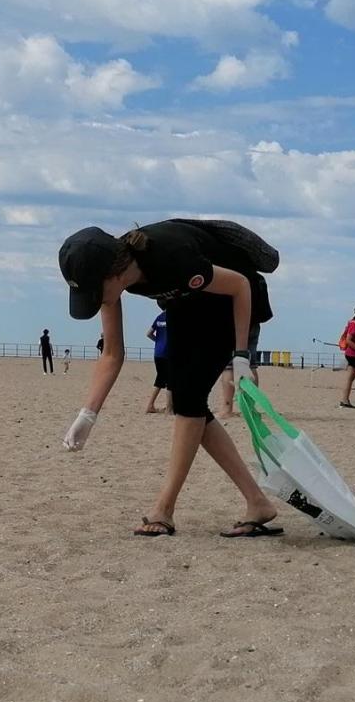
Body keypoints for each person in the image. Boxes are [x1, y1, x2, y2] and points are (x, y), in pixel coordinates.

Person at [57, 220, 282, 539]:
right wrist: (87, 415)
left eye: (95, 292)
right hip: (186, 303)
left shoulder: (171, 256)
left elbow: (240, 286)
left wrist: (242, 354)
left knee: (189, 401)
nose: (96, 301)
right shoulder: (113, 275)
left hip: (232, 302)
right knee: (189, 401)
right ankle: (257, 503)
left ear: (115, 273)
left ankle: (164, 510)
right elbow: (111, 353)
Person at [144, 311, 170, 414]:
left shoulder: (159, 317)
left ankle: (152, 405)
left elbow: (148, 333)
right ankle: (169, 408)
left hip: (158, 353)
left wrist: (158, 341)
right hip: (168, 352)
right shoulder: (174, 315)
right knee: (169, 380)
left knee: (161, 378)